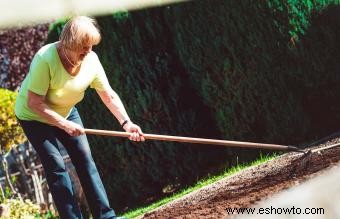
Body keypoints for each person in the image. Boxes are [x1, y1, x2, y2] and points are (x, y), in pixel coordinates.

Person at [15, 16, 144, 219]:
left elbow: (108, 95)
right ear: (69, 43)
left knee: (84, 158)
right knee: (56, 165)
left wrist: (126, 123)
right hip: (35, 116)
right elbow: (34, 102)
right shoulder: (45, 58)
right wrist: (63, 124)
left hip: (66, 111)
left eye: (91, 46)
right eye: (83, 47)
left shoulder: (91, 60)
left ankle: (105, 216)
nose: (88, 51)